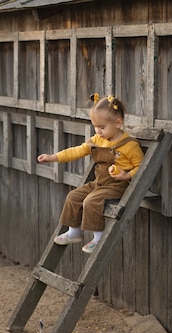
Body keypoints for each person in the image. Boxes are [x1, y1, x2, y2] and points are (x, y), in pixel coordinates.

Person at [37, 94, 144, 254]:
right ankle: (74, 232)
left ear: (118, 123)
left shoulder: (130, 146)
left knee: (91, 201)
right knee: (73, 196)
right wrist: (53, 157)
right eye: (95, 126)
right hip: (99, 183)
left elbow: (141, 167)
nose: (98, 131)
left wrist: (126, 176)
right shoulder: (98, 140)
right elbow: (77, 151)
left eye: (102, 127)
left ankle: (98, 237)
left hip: (118, 185)